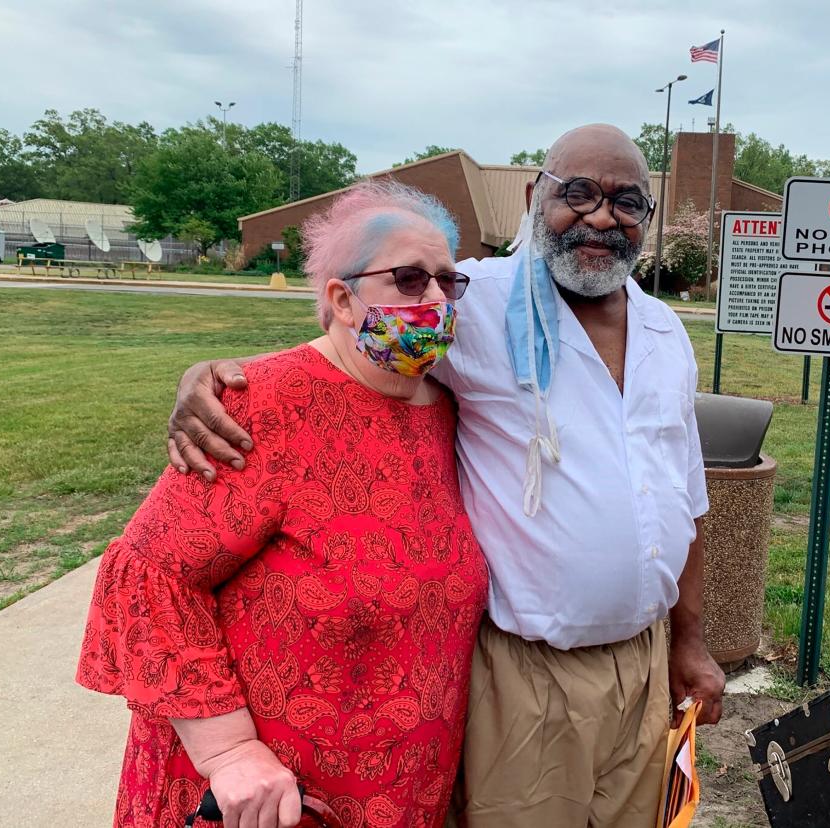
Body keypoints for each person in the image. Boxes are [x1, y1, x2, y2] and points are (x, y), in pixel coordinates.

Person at [168, 124, 725, 827]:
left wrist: (691, 641)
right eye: (577, 194)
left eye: (627, 202)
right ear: (535, 198)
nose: (600, 218)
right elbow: (355, 337)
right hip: (532, 676)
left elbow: (687, 497)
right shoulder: (473, 299)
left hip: (644, 668)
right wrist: (220, 378)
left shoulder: (665, 333)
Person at [77, 181, 489, 828]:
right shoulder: (260, 405)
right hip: (260, 803)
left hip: (402, 793)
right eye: (409, 279)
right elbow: (152, 576)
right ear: (342, 300)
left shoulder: (447, 414)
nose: (435, 299)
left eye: (447, 281)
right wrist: (230, 750)